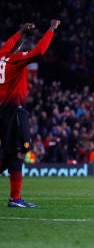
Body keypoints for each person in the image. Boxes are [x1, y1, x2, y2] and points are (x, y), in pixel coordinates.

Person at [0, 19, 61, 207]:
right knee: (18, 153)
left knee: (9, 155)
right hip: (15, 112)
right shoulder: (17, 60)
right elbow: (39, 51)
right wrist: (51, 30)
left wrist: (21, 31)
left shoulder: (2, 55)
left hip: (4, 113)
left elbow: (9, 43)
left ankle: (15, 198)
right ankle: (15, 199)